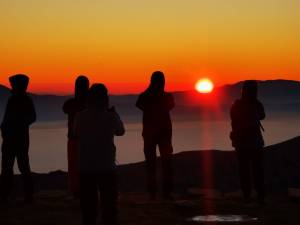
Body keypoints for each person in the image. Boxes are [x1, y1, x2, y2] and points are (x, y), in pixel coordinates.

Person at [74, 83, 125, 225]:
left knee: (88, 207)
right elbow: (121, 131)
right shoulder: (110, 117)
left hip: (85, 166)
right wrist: (115, 114)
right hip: (107, 166)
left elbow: (75, 133)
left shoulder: (80, 116)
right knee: (109, 205)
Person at [136, 71, 175, 200]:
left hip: (151, 134)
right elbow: (169, 106)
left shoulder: (144, 97)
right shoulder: (167, 97)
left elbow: (140, 105)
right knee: (165, 163)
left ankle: (154, 193)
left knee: (152, 164)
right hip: (161, 133)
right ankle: (164, 192)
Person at [0, 74, 36, 203]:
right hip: (12, 139)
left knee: (21, 167)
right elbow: (7, 118)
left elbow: (32, 117)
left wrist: (18, 123)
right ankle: (5, 194)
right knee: (8, 168)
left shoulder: (25, 100)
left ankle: (27, 195)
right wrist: (4, 128)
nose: (11, 86)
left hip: (18, 139)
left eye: (13, 84)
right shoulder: (13, 100)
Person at [230, 80, 266, 204]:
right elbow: (262, 115)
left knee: (244, 169)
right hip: (254, 142)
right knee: (257, 168)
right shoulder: (256, 104)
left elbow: (233, 119)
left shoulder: (237, 105)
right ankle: (259, 193)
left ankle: (247, 194)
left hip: (242, 142)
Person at [63, 75, 89, 198]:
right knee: (84, 166)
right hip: (85, 140)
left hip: (75, 139)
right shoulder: (88, 104)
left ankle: (76, 191)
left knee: (74, 166)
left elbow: (65, 108)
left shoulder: (71, 103)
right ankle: (82, 190)